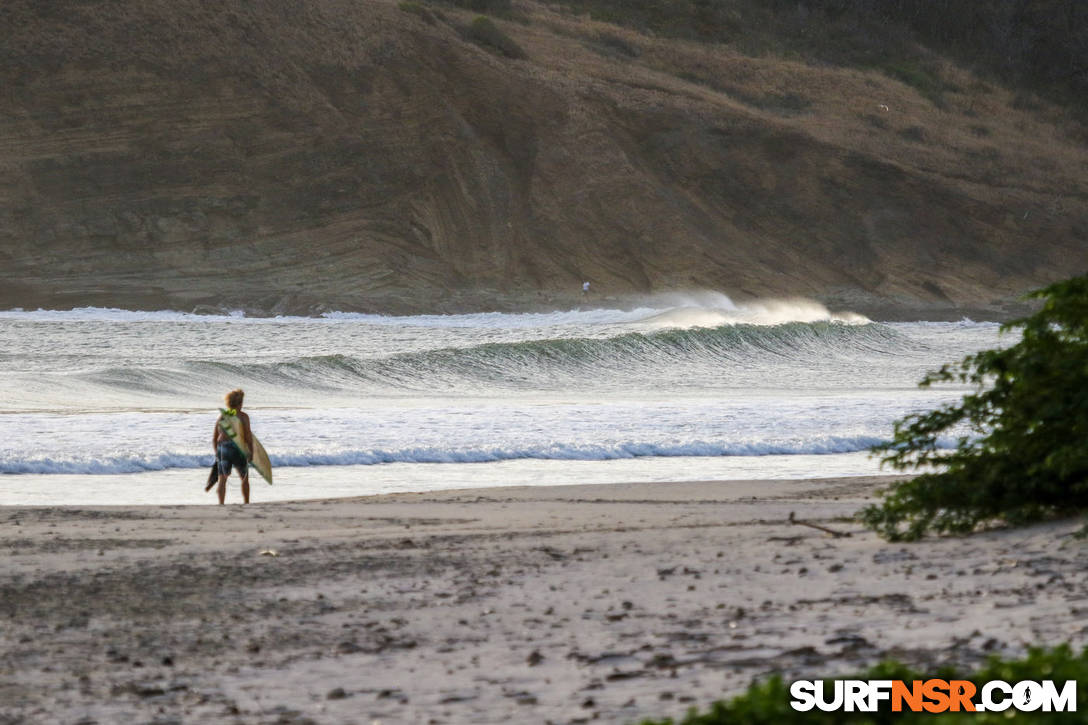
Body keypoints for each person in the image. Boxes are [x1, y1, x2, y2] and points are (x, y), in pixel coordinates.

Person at [213, 388, 254, 505]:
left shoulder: (222, 417)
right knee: (244, 478)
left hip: (223, 447)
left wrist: (217, 452)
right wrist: (251, 451)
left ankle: (221, 504)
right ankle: (246, 503)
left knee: (222, 479)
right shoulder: (243, 417)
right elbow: (247, 436)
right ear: (240, 403)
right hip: (238, 448)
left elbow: (215, 437)